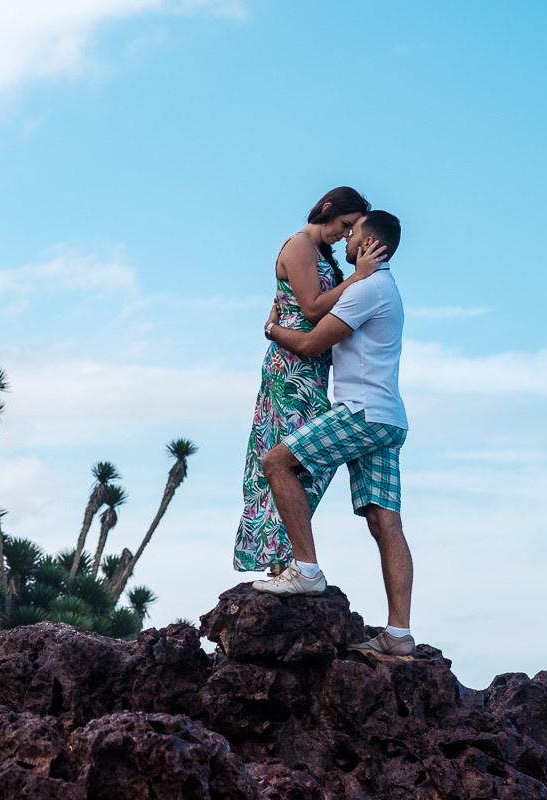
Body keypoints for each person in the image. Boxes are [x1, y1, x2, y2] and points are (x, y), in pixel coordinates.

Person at [253, 210, 413, 657]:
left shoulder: (367, 289)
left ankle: (306, 570)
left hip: (362, 414)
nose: (346, 238)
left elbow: (309, 344)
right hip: (388, 419)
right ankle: (399, 634)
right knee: (385, 522)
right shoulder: (386, 287)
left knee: (276, 462)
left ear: (369, 244)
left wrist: (271, 329)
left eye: (353, 232)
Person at [234, 187, 381, 575]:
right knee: (289, 459)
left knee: (302, 463)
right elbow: (313, 308)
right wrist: (359, 277)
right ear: (327, 209)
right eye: (344, 225)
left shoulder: (320, 253)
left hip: (311, 371)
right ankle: (281, 560)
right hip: (290, 370)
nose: (344, 235)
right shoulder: (299, 246)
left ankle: (286, 556)